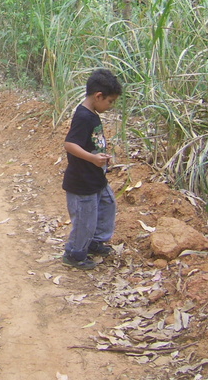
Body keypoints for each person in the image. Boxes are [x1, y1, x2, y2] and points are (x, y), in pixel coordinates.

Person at [61, 68, 123, 270]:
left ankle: (95, 242)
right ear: (98, 96)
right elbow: (70, 144)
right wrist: (92, 158)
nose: (111, 106)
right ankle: (75, 253)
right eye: (110, 101)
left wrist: (100, 158)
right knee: (85, 218)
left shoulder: (92, 114)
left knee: (107, 205)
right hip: (82, 182)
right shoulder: (83, 116)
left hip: (96, 177)